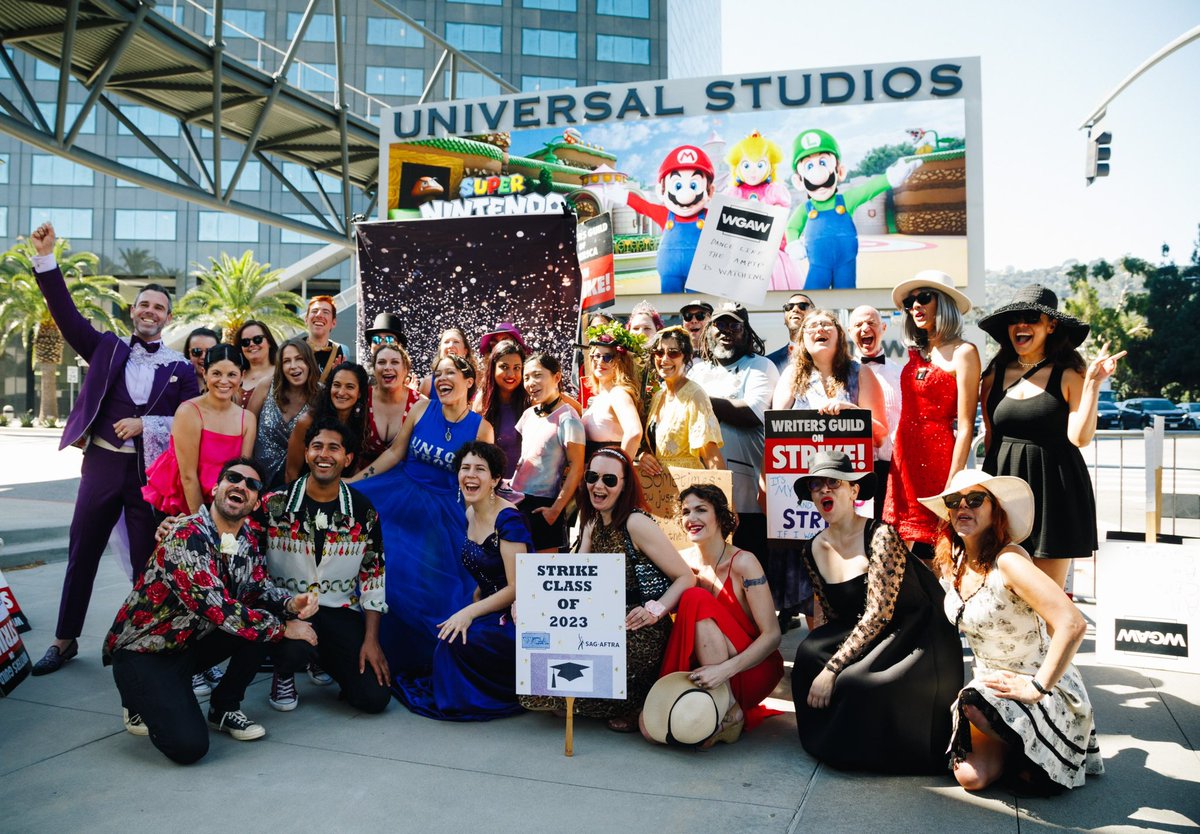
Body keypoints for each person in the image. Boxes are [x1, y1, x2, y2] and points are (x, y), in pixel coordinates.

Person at [28, 223, 199, 676]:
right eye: (144, 303)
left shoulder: (180, 368)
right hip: (102, 463)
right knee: (82, 550)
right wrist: (46, 259)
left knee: (148, 560)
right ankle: (65, 640)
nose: (150, 311)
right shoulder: (106, 346)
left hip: (148, 479)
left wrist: (147, 424)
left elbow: (189, 423)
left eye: (159, 307)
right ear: (132, 310)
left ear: (167, 316)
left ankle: (145, 640)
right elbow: (65, 315)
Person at [104, 458, 318, 764]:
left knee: (265, 615)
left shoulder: (246, 541)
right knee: (188, 747)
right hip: (145, 651)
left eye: (252, 484)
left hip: (188, 645)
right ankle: (137, 695)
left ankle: (224, 707)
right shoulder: (186, 535)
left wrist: (289, 604)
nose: (242, 485)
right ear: (217, 488)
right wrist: (283, 627)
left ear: (256, 502)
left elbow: (257, 589)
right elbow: (219, 608)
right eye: (234, 478)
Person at [921, 470, 1103, 792]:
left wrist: (1036, 687)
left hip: (1038, 685)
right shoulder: (955, 560)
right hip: (993, 685)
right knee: (971, 778)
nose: (963, 506)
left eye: (975, 500)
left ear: (996, 511)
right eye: (954, 501)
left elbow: (1073, 624)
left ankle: (1034, 745)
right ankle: (1019, 749)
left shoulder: (1009, 562)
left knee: (975, 704)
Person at [792, 451, 963, 773]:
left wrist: (832, 670)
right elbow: (831, 614)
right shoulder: (811, 548)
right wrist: (824, 658)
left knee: (855, 682)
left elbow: (880, 613)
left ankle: (863, 750)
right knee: (806, 654)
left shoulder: (881, 536)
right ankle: (828, 740)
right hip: (861, 627)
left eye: (834, 483)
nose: (824, 491)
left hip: (912, 633)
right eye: (817, 486)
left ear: (854, 491)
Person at [521, 448, 694, 730]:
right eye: (592, 477)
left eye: (610, 480)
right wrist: (532, 604)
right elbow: (572, 581)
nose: (598, 486)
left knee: (578, 686)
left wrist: (655, 610)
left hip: (637, 625)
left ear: (625, 485)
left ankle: (632, 703)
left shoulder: (636, 522)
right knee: (541, 687)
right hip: (599, 623)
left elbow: (686, 577)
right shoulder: (590, 521)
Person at [348, 355, 494, 679]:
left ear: (468, 381)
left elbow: (483, 486)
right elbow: (395, 453)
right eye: (437, 373)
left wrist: (481, 531)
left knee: (436, 591)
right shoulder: (420, 409)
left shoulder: (482, 429)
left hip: (445, 518)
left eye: (450, 373)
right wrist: (354, 482)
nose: (442, 378)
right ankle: (379, 650)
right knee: (390, 574)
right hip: (400, 501)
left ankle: (424, 661)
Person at [978, 285, 1125, 589]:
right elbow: (991, 438)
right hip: (1004, 490)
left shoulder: (1070, 374)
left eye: (1031, 318)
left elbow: (1080, 438)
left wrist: (1093, 385)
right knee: (1002, 593)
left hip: (1054, 491)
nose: (1021, 325)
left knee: (1048, 598)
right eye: (1014, 318)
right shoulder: (993, 374)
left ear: (1051, 325)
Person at [261, 419, 390, 715]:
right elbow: (236, 536)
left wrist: (371, 640)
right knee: (295, 648)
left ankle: (322, 657)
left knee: (374, 698)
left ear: (347, 459)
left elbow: (373, 577)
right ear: (306, 453)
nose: (324, 454)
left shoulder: (363, 511)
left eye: (334, 448)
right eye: (317, 446)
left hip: (338, 610)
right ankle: (286, 670)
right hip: (286, 609)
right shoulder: (273, 504)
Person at [395, 441, 530, 720]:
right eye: (465, 468)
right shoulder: (469, 513)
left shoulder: (508, 521)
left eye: (480, 469)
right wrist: (477, 598)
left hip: (521, 616)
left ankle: (504, 691)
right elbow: (489, 569)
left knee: (453, 643)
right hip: (493, 606)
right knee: (441, 633)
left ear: (494, 479)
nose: (470, 475)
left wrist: (469, 612)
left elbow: (518, 586)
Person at [769, 309, 887, 624]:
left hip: (849, 495)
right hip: (807, 498)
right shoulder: (790, 377)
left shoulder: (861, 373)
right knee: (812, 579)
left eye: (827, 323)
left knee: (853, 569)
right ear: (801, 339)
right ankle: (819, 649)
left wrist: (852, 413)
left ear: (838, 334)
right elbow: (775, 431)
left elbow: (880, 433)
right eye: (812, 325)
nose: (820, 328)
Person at [650, 484, 783, 748]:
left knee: (695, 597)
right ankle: (716, 711)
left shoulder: (744, 563)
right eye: (686, 512)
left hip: (750, 668)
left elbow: (773, 636)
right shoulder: (681, 563)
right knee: (649, 728)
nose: (692, 519)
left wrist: (724, 671)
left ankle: (729, 708)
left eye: (701, 510)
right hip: (703, 671)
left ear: (721, 516)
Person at [885, 270, 980, 560]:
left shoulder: (964, 352)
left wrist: (954, 480)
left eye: (924, 297)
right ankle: (901, 606)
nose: (915, 306)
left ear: (945, 303)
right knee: (896, 549)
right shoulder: (918, 353)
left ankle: (944, 607)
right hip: (904, 459)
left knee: (943, 552)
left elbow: (966, 426)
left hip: (940, 460)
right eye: (909, 302)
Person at [688, 303, 779, 565]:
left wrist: (697, 397)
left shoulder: (761, 366)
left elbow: (751, 413)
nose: (726, 330)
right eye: (719, 324)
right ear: (709, 331)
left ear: (746, 332)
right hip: (702, 495)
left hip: (746, 498)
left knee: (747, 570)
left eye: (734, 325)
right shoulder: (697, 370)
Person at [143, 345, 257, 516]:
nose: (224, 381)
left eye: (232, 374)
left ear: (242, 376)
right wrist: (202, 525)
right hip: (186, 506)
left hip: (224, 505)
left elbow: (242, 475)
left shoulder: (247, 419)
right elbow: (188, 476)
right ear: (204, 373)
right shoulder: (189, 411)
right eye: (216, 373)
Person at [511, 353, 586, 553]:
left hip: (544, 505)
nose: (530, 383)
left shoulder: (568, 418)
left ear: (557, 377)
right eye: (526, 378)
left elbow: (577, 468)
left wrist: (555, 510)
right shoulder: (528, 414)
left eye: (537, 375)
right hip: (516, 500)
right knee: (515, 573)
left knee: (540, 576)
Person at [638, 326, 725, 474]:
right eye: (659, 352)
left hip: (689, 488)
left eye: (673, 353)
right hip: (659, 490)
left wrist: (723, 496)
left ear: (686, 357)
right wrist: (642, 456)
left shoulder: (695, 395)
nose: (664, 359)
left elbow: (712, 457)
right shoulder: (658, 396)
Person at [849, 305, 902, 517]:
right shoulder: (842, 374)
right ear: (849, 332)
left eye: (871, 323)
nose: (864, 328)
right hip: (853, 469)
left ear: (883, 328)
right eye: (858, 324)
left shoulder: (900, 373)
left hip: (892, 469)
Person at [248, 336, 320, 492]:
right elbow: (247, 428)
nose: (293, 366)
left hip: (299, 481)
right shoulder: (266, 386)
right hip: (257, 479)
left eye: (299, 359)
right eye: (287, 361)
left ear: (309, 362)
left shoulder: (321, 395)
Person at [285, 362, 370, 483]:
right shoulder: (307, 421)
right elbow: (291, 472)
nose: (341, 392)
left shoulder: (361, 422)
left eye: (349, 387)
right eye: (336, 385)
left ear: (360, 393)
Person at [581, 321, 644, 460]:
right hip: (594, 474)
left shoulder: (618, 393)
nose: (600, 361)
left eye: (608, 357)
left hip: (609, 474)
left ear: (622, 362)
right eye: (596, 356)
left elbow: (634, 433)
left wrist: (620, 467)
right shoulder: (600, 396)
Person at [362, 342, 423, 473]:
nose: (387, 367)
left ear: (405, 369)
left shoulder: (420, 403)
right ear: (374, 369)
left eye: (394, 362)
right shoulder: (362, 398)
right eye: (382, 362)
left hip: (404, 480)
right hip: (362, 476)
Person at [474, 338, 528, 479]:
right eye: (504, 367)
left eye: (517, 368)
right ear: (493, 367)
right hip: (492, 484)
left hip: (526, 487)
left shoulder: (531, 400)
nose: (511, 374)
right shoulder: (482, 401)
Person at [766, 292, 814, 373]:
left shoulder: (827, 355)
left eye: (803, 306)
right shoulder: (769, 362)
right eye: (789, 307)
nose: (795, 309)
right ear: (785, 319)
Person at [234, 320, 277, 406]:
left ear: (269, 342)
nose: (251, 344)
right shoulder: (235, 377)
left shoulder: (283, 372)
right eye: (245, 342)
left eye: (257, 339)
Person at [305, 295, 345, 385]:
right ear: (306, 319)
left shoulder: (337, 350)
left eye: (326, 312)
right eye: (314, 311)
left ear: (333, 323)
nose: (319, 315)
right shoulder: (296, 348)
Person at [183, 327, 220, 391]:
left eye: (210, 351)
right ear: (189, 354)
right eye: (197, 351)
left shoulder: (231, 384)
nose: (203, 356)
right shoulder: (179, 387)